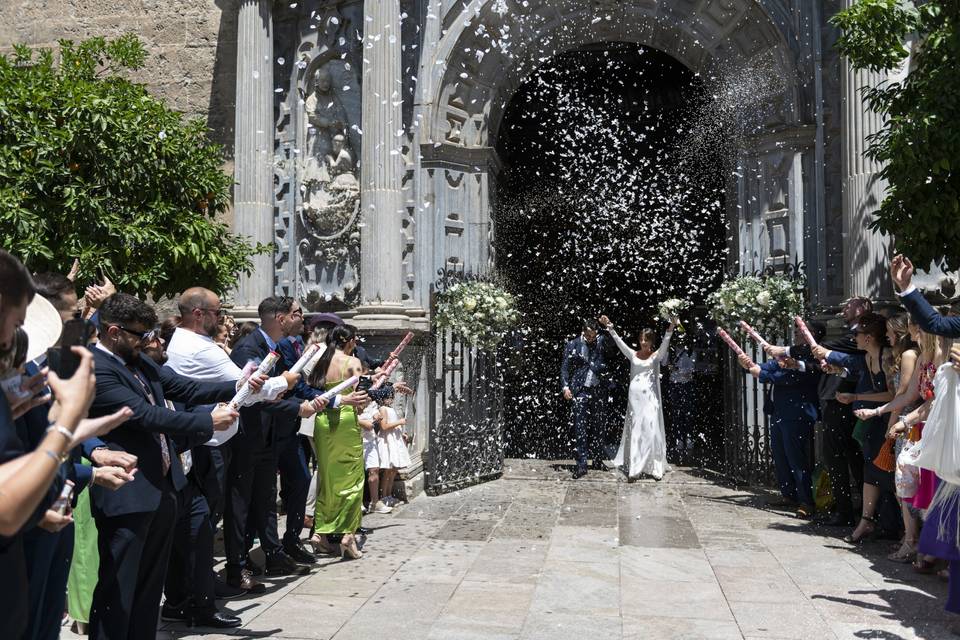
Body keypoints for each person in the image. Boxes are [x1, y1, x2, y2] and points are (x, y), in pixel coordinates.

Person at [86, 293, 240, 640]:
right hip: (127, 492)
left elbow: (183, 386)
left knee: (148, 589)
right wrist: (207, 422)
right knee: (119, 589)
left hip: (163, 489)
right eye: (140, 335)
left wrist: (242, 384)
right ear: (113, 332)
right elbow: (146, 416)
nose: (148, 341)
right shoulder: (98, 368)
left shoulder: (139, 362)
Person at [226, 296, 319, 587]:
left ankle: (273, 553)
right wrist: (295, 407)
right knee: (241, 504)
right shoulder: (249, 348)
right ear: (281, 319)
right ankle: (237, 566)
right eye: (296, 314)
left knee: (266, 499)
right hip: (247, 437)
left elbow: (275, 392)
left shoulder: (274, 347)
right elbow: (251, 398)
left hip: (267, 437)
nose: (301, 319)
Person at [767, 296, 872, 526]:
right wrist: (802, 363)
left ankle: (857, 512)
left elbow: (832, 353)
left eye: (851, 304)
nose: (844, 307)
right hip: (836, 401)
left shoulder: (862, 333)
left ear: (864, 308)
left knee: (844, 457)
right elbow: (828, 361)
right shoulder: (851, 333)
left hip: (847, 403)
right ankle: (849, 509)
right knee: (839, 457)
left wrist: (786, 349)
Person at [813, 312, 896, 544]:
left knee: (884, 472)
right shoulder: (868, 358)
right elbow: (852, 367)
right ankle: (869, 521)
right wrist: (837, 372)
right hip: (869, 421)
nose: (854, 338)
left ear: (868, 337)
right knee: (871, 471)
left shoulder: (886, 357)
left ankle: (891, 525)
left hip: (884, 419)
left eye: (857, 334)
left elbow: (892, 393)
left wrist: (857, 396)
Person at [737, 321, 824, 519]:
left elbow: (790, 377)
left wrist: (762, 374)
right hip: (779, 412)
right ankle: (789, 494)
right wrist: (748, 365)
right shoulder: (790, 353)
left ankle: (806, 501)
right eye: (796, 330)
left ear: (815, 334)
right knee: (780, 454)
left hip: (797, 414)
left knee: (797, 457)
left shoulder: (814, 357)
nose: (796, 334)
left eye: (802, 331)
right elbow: (768, 367)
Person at [855, 315, 924, 562]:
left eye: (890, 332)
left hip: (906, 424)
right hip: (908, 422)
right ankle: (912, 537)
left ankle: (911, 540)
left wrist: (891, 423)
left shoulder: (908, 356)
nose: (887, 336)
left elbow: (904, 394)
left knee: (904, 485)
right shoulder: (909, 355)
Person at [307, 325, 367, 559]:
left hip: (322, 422)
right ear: (350, 341)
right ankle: (348, 536)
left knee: (328, 478)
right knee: (353, 479)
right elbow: (359, 400)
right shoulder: (352, 363)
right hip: (344, 423)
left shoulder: (322, 360)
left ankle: (320, 534)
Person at [598, 313, 676, 481]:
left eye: (646, 340)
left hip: (650, 398)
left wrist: (671, 328)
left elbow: (665, 344)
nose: (643, 342)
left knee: (651, 429)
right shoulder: (633, 354)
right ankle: (635, 467)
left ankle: (654, 466)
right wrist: (610, 327)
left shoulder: (656, 356)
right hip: (635, 398)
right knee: (637, 431)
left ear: (651, 341)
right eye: (641, 339)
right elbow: (619, 343)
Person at [560, 318, 610, 478]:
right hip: (579, 390)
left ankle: (597, 459)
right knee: (580, 428)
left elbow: (613, 343)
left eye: (593, 335)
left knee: (599, 426)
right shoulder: (572, 344)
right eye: (588, 335)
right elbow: (565, 367)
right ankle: (581, 464)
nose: (591, 338)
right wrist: (565, 386)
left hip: (598, 389)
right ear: (583, 332)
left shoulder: (602, 340)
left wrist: (608, 327)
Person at [377, 385, 410, 507]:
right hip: (387, 441)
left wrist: (401, 433)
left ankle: (389, 495)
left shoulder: (390, 409)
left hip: (394, 439)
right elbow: (384, 426)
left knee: (393, 470)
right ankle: (383, 496)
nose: (391, 399)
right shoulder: (383, 409)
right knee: (388, 470)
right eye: (389, 397)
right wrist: (399, 422)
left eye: (392, 397)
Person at [358, 398, 390, 514]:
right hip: (356, 441)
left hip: (371, 441)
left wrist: (377, 416)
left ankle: (375, 502)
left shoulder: (371, 404)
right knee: (358, 473)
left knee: (374, 469)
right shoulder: (352, 404)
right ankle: (358, 503)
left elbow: (376, 413)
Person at [667, 339, 696, 462]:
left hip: (686, 385)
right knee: (676, 413)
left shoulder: (690, 352)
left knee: (687, 412)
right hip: (674, 384)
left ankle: (689, 439)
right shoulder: (671, 351)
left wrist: (677, 370)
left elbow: (691, 372)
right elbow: (665, 365)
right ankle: (679, 439)